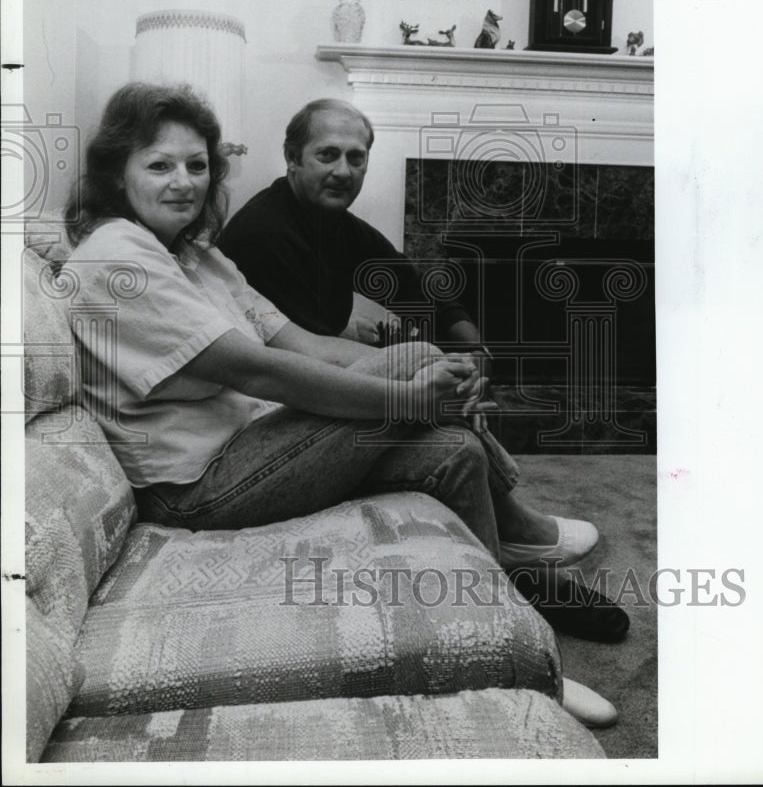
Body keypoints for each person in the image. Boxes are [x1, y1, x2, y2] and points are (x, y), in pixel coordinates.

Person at [63, 82, 623, 726]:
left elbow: (304, 344)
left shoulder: (197, 256)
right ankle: (534, 629)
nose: (183, 182)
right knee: (416, 399)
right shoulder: (115, 256)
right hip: (194, 486)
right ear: (116, 172)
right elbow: (266, 371)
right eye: (159, 165)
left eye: (196, 165)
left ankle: (512, 610)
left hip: (249, 445)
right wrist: (405, 398)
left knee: (453, 451)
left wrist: (435, 365)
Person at [217, 98, 487, 356]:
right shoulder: (264, 233)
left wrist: (473, 347)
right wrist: (435, 364)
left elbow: (411, 285)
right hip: (265, 392)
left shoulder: (331, 220)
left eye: (356, 157)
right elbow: (313, 355)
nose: (344, 171)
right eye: (327, 155)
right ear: (292, 158)